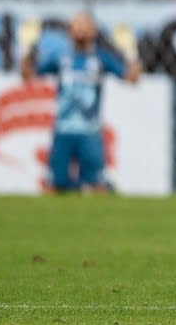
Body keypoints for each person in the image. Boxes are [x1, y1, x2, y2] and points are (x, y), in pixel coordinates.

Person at [20, 12, 141, 192]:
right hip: (63, 130)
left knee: (97, 186)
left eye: (85, 25)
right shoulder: (60, 57)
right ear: (69, 31)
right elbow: (28, 76)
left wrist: (130, 51)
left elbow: (132, 79)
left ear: (93, 31)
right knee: (53, 185)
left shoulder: (101, 58)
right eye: (76, 25)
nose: (80, 29)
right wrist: (26, 49)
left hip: (90, 131)